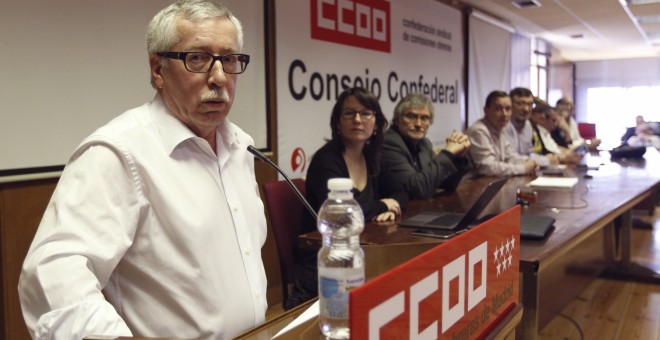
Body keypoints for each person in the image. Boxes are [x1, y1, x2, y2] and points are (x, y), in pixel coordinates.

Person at [18, 1, 267, 339]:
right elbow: (52, 273)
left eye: (229, 59)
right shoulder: (119, 152)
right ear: (158, 70)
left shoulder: (241, 145)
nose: (219, 77)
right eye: (198, 58)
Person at [288, 87, 404, 309]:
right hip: (323, 260)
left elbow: (401, 192)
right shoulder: (326, 160)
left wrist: (391, 207)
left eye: (366, 113)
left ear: (377, 123)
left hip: (361, 252)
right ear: (337, 122)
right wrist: (381, 204)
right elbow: (342, 217)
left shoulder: (372, 157)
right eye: (349, 113)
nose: (357, 120)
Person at [379, 93, 471, 202]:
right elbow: (418, 191)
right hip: (392, 215)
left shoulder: (424, 143)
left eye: (424, 118)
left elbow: (443, 184)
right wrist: (447, 153)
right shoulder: (389, 142)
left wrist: (457, 157)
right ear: (397, 119)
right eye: (411, 116)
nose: (418, 124)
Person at [466, 90, 537, 176]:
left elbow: (509, 157)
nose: (504, 114)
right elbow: (487, 167)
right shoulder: (479, 131)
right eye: (498, 109)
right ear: (486, 111)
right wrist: (523, 168)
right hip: (472, 184)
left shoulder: (500, 128)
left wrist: (528, 162)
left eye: (508, 109)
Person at [503, 87, 557, 166]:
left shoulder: (528, 125)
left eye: (530, 104)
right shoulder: (504, 125)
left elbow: (529, 153)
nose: (526, 109)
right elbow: (511, 158)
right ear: (510, 105)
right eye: (520, 104)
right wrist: (545, 160)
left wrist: (550, 158)